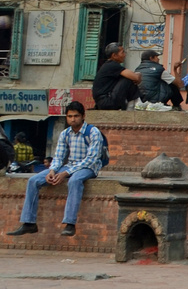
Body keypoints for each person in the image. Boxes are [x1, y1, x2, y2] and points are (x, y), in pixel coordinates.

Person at [6, 102, 104, 238]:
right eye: (70, 116)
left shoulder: (93, 132)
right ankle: (29, 223)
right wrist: (52, 170)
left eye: (76, 116)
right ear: (66, 117)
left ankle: (70, 224)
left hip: (89, 168)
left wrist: (65, 173)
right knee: (34, 180)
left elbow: (92, 159)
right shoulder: (65, 134)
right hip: (69, 166)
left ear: (83, 116)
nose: (73, 119)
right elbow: (58, 157)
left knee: (74, 181)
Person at [91, 42, 140, 111]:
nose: (124, 55)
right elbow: (135, 77)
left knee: (127, 77)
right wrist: (138, 76)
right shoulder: (112, 65)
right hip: (107, 101)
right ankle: (132, 106)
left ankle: (132, 104)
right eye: (122, 52)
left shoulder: (110, 65)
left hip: (104, 101)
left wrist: (136, 76)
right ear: (114, 55)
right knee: (128, 79)